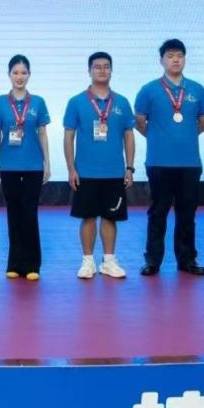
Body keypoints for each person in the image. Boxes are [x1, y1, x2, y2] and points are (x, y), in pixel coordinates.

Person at [135, 39, 204, 277]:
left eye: (179, 55)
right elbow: (140, 122)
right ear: (161, 61)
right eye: (170, 56)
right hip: (159, 162)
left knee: (187, 214)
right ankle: (153, 261)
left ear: (185, 59)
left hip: (190, 163)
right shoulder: (148, 90)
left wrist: (183, 136)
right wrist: (159, 136)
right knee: (158, 213)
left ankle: (187, 260)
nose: (175, 60)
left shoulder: (197, 90)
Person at [63, 52, 135, 279]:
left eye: (106, 66)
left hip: (114, 172)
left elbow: (129, 136)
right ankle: (87, 262)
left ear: (111, 71)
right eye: (97, 67)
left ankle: (109, 262)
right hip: (85, 172)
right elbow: (68, 137)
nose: (102, 70)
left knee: (110, 217)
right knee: (88, 217)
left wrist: (129, 167)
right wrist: (71, 168)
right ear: (89, 71)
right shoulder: (76, 102)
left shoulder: (122, 102)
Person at [0, 55, 51, 280]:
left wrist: (47, 163)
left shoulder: (38, 102)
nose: (19, 77)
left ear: (29, 75)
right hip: (8, 166)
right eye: (15, 72)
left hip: (33, 166)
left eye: (23, 72)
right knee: (14, 214)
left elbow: (42, 133)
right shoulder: (0, 102)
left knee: (30, 213)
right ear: (9, 75)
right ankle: (14, 263)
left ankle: (33, 265)